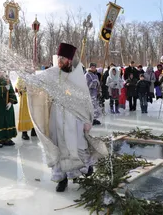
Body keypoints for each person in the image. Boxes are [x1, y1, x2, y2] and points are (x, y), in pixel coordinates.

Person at [26, 42, 107, 192]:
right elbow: (36, 82)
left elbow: (85, 99)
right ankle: (62, 179)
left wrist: (88, 120)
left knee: (77, 145)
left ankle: (85, 168)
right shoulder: (52, 72)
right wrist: (25, 78)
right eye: (59, 58)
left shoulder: (77, 75)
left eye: (63, 58)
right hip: (56, 116)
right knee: (59, 146)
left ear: (69, 60)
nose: (60, 61)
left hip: (75, 118)